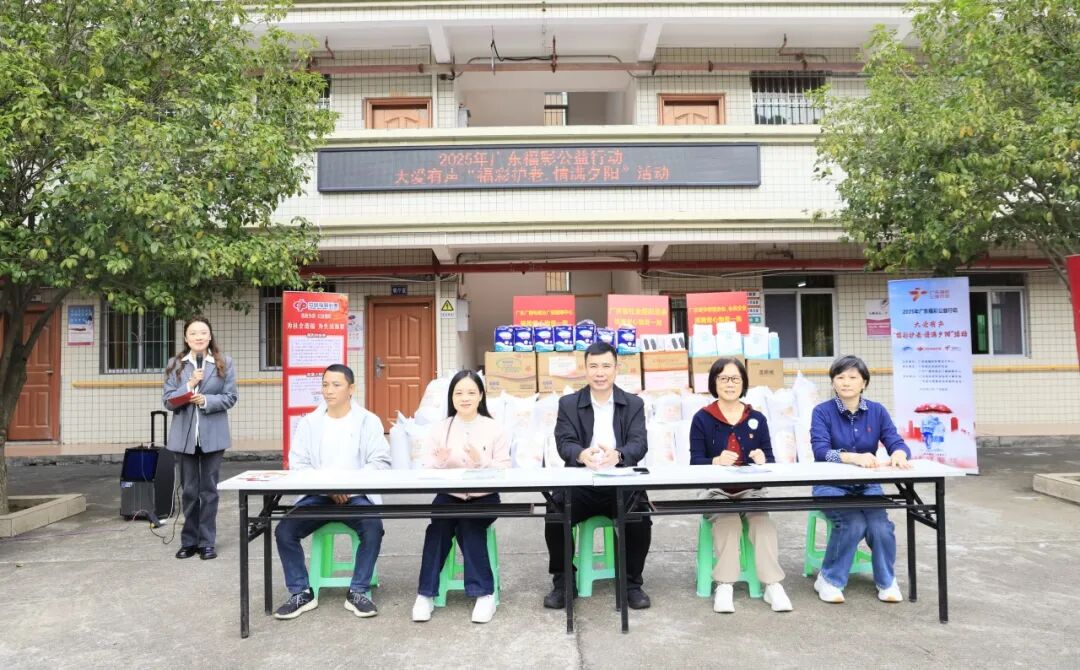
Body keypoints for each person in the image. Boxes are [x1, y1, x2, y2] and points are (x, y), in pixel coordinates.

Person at [273, 364, 391, 620]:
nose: (329, 390)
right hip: (318, 496)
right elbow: (299, 464)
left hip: (356, 495)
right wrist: (327, 488)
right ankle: (301, 592)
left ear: (351, 388)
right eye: (325, 385)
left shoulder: (368, 421)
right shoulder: (310, 422)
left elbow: (380, 461)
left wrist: (349, 486)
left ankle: (358, 591)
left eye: (336, 385)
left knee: (373, 527)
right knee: (284, 530)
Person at [543, 341, 653, 610]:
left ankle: (631, 584)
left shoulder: (633, 404)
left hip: (620, 482)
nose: (600, 373)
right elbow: (564, 442)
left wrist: (619, 455)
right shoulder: (569, 403)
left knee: (640, 513)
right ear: (585, 369)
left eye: (606, 366)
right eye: (593, 366)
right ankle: (563, 583)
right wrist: (581, 454)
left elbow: (639, 443)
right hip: (581, 483)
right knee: (555, 511)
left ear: (616, 368)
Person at [689, 357, 793, 613]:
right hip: (716, 490)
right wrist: (715, 461)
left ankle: (772, 585)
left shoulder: (756, 417)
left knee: (762, 524)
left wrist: (761, 458)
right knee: (729, 522)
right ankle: (725, 585)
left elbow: (770, 459)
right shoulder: (702, 418)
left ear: (743, 383)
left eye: (735, 379)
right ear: (714, 382)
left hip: (751, 489)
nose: (729, 384)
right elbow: (695, 462)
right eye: (723, 378)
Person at [810, 354, 911, 604]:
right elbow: (821, 451)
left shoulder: (877, 411)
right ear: (833, 382)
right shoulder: (822, 412)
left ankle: (886, 581)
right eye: (840, 377)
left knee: (881, 527)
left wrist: (899, 453)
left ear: (864, 382)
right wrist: (854, 457)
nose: (846, 382)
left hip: (867, 485)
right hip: (830, 486)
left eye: (853, 377)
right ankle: (829, 579)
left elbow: (895, 441)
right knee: (852, 522)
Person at [412, 370, 511, 624]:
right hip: (449, 495)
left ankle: (484, 594)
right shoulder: (440, 428)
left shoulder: (494, 428)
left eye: (470, 392)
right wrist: (440, 463)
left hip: (484, 497)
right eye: (458, 393)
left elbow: (505, 470)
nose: (464, 398)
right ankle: (425, 594)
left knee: (469, 524)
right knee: (438, 529)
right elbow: (426, 468)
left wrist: (483, 461)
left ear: (481, 396)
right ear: (451, 397)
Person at [163, 316, 237, 561]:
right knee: (189, 491)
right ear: (186, 338)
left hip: (213, 436)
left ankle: (207, 542)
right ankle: (189, 541)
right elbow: (168, 401)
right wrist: (189, 385)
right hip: (184, 438)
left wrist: (206, 400)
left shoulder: (224, 362)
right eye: (193, 333)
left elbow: (230, 397)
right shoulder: (176, 364)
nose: (198, 337)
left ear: (210, 335)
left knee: (209, 491)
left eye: (203, 332)